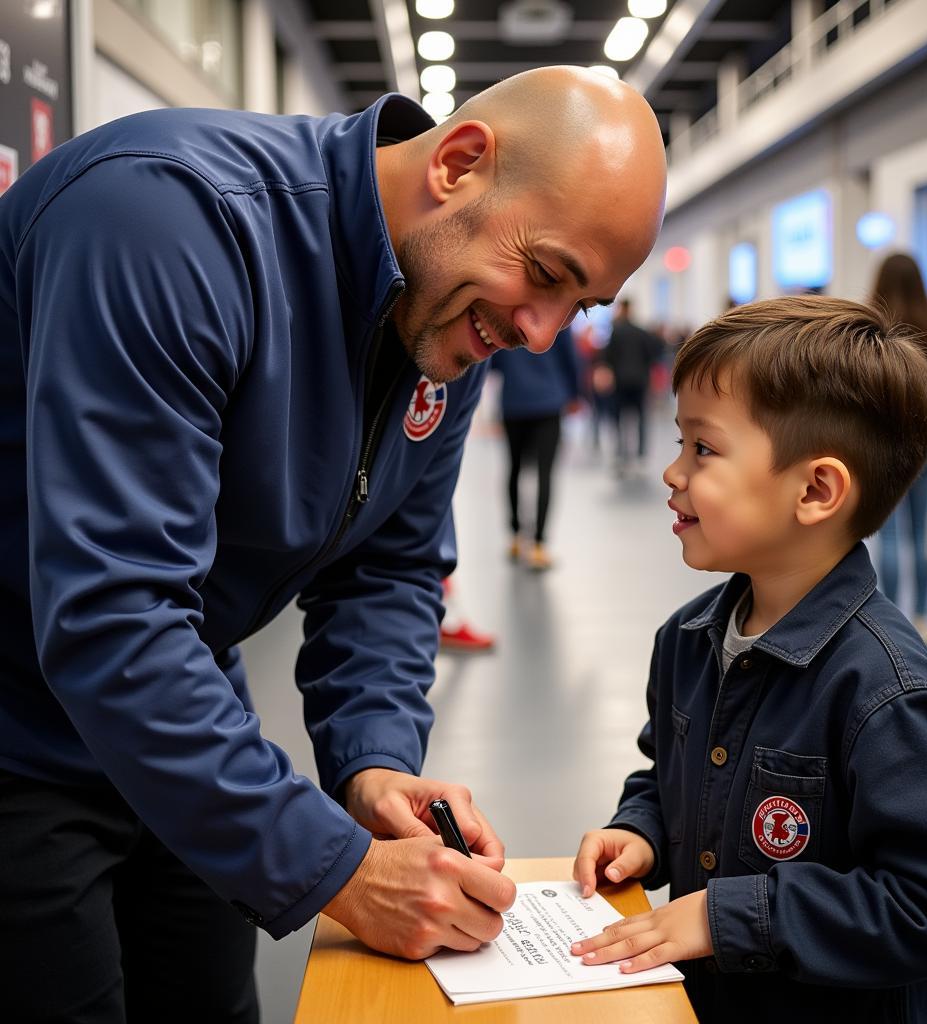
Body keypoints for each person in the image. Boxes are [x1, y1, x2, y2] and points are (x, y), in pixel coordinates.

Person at [0, 66, 667, 1022]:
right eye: (550, 275)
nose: (539, 331)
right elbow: (114, 614)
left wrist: (374, 764)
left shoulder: (443, 310)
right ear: (460, 165)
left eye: (580, 306)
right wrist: (341, 869)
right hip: (19, 728)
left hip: (184, 714)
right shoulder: (168, 223)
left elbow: (389, 565)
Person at [570, 297, 927, 1023]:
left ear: (815, 490)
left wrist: (728, 917)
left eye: (702, 449)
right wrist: (640, 830)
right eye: (680, 443)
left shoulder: (888, 695)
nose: (672, 473)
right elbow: (667, 775)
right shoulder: (687, 640)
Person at [870, 253, 927, 646]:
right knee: (922, 533)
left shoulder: (870, 325)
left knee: (886, 535)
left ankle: (887, 617)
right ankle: (922, 617)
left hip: (881, 438)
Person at [491, 325, 581, 570]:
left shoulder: (508, 314)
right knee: (545, 473)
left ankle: (517, 537)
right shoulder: (559, 319)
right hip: (549, 403)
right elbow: (570, 359)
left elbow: (494, 361)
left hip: (513, 403)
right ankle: (540, 544)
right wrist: (575, 395)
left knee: (514, 468)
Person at [601, 297, 664, 472]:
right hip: (639, 381)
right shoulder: (641, 332)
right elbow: (652, 355)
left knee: (620, 418)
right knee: (641, 418)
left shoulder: (616, 332)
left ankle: (622, 453)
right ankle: (640, 455)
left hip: (621, 381)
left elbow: (608, 357)